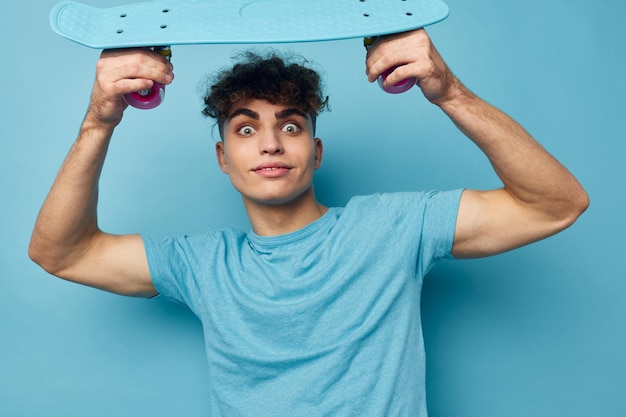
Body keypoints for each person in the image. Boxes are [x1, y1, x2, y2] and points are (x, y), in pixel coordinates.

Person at [29, 29, 588, 416]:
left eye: (290, 126)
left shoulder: (392, 227)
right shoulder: (202, 264)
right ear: (223, 159)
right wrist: (98, 123)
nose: (270, 142)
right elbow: (61, 252)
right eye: (246, 129)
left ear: (316, 152)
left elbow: (555, 204)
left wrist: (450, 93)